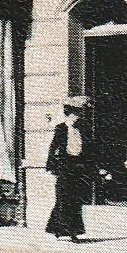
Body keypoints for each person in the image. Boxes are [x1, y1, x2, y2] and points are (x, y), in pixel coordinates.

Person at [46, 97, 93, 242]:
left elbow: (89, 149)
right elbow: (53, 148)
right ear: (70, 114)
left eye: (79, 114)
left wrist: (91, 167)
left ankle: (64, 230)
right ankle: (67, 231)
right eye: (75, 114)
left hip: (78, 168)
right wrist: (52, 166)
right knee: (63, 198)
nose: (77, 117)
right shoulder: (61, 128)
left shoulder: (84, 128)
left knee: (75, 199)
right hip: (65, 168)